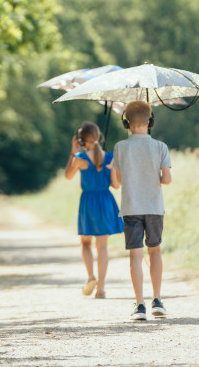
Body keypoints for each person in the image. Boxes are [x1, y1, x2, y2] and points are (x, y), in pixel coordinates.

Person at [110, 101, 172, 321]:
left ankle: (140, 305)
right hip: (154, 207)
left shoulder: (119, 147)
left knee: (136, 255)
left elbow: (115, 183)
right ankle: (157, 300)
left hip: (131, 208)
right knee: (155, 250)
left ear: (126, 123)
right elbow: (167, 179)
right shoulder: (160, 147)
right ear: (150, 122)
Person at [64, 122, 124, 299]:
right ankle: (102, 288)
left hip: (88, 202)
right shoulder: (110, 157)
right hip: (105, 200)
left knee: (85, 243)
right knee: (102, 246)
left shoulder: (79, 158)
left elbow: (68, 176)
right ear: (98, 137)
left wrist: (73, 151)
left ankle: (91, 276)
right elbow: (116, 185)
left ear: (81, 140)